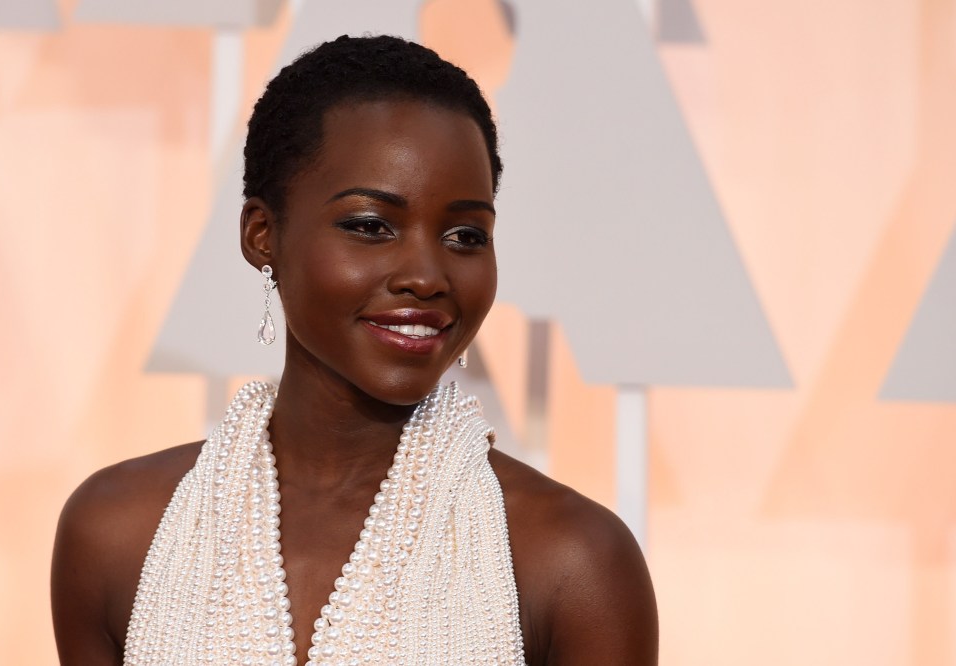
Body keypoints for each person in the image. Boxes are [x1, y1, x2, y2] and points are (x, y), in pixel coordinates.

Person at [51, 35, 658, 665]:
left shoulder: (571, 560)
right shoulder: (119, 534)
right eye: (371, 225)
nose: (427, 274)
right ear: (263, 234)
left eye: (465, 234)